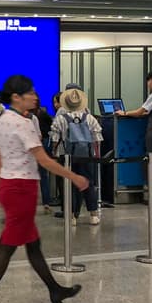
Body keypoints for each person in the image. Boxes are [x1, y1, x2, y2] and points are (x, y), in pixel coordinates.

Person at [0, 75, 88, 303]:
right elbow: (43, 160)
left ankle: (55, 290)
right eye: (30, 93)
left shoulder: (2, 120)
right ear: (16, 97)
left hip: (9, 186)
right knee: (8, 245)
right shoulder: (23, 124)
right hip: (22, 188)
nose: (35, 97)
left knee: (32, 244)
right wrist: (74, 177)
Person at [116, 70, 152, 206]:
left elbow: (140, 112)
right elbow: (150, 111)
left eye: (148, 81)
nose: (148, 84)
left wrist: (124, 113)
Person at [50, 88, 103, 225]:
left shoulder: (61, 119)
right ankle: (93, 214)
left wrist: (54, 153)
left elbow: (55, 138)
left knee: (69, 185)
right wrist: (96, 155)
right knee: (89, 183)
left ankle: (72, 216)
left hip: (68, 156)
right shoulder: (90, 118)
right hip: (87, 156)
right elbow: (97, 138)